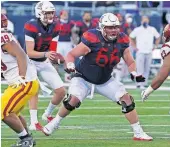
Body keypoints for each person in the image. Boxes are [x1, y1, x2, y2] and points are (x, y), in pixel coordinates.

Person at [42, 13, 153, 141]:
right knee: (73, 100)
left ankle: (138, 132)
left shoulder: (122, 40)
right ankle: (55, 123)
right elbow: (71, 54)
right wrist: (71, 64)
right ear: (102, 27)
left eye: (115, 27)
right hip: (83, 77)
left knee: (127, 100)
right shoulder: (92, 38)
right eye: (109, 27)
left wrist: (134, 73)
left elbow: (130, 61)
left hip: (104, 80)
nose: (113, 30)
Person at [24, 1, 66, 131]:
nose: (50, 15)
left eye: (52, 12)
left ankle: (47, 114)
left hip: (44, 60)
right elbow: (29, 52)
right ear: (39, 13)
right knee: (34, 89)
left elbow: (53, 49)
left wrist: (56, 59)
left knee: (61, 91)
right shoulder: (31, 26)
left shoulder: (56, 26)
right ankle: (34, 122)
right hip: (30, 61)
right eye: (47, 13)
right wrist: (47, 53)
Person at [1, 14, 39, 147]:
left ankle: (26, 140)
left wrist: (21, 76)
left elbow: (21, 55)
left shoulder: (3, 37)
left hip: (24, 82)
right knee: (12, 112)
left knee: (3, 112)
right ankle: (28, 141)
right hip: (18, 83)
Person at [130, 15, 160, 89]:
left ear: (148, 20)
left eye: (146, 19)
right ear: (141, 21)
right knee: (140, 68)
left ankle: (144, 83)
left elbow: (158, 37)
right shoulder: (137, 29)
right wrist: (134, 47)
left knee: (147, 68)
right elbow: (131, 37)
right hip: (140, 51)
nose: (145, 21)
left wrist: (155, 46)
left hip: (149, 51)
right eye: (144, 19)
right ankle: (139, 83)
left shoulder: (152, 29)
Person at [56, 10, 76, 82]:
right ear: (60, 15)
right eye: (64, 14)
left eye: (66, 14)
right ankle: (56, 77)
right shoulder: (56, 23)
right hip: (58, 43)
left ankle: (67, 78)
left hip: (68, 43)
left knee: (68, 61)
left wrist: (74, 43)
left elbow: (73, 34)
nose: (65, 15)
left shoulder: (71, 23)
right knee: (56, 60)